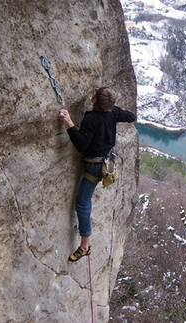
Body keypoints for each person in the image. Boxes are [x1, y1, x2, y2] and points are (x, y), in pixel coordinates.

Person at [59, 87, 136, 262]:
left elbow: (82, 145)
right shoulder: (114, 111)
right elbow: (131, 116)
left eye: (95, 93)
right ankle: (84, 243)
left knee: (82, 202)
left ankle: (84, 246)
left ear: (94, 101)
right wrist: (115, 120)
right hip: (107, 160)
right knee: (84, 201)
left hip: (94, 165)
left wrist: (69, 123)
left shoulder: (91, 119)